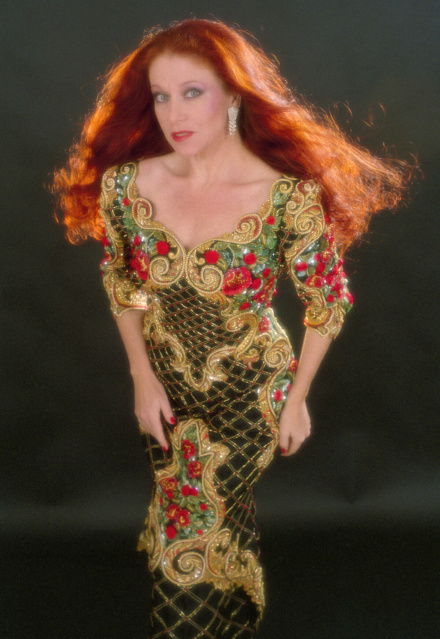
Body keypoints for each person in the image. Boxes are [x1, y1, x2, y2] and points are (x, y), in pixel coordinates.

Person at [52, 18, 410, 639]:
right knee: (216, 521)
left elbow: (327, 300)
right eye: (161, 96)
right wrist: (141, 378)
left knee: (187, 530)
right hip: (168, 392)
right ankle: (236, 624)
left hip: (252, 392)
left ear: (234, 95)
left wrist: (297, 399)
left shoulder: (287, 197)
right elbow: (123, 281)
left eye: (193, 92)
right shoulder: (128, 186)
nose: (174, 113)